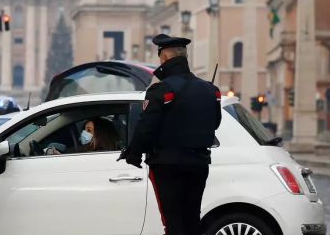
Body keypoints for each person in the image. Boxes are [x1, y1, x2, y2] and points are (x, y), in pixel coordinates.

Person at [119, 34, 222, 235]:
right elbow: (215, 123)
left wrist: (134, 154)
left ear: (164, 58)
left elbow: (146, 126)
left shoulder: (161, 90)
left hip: (167, 166)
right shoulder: (210, 90)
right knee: (192, 219)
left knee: (173, 222)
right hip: (199, 164)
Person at [46, 118, 118, 155]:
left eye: (89, 130)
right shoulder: (86, 149)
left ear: (100, 135)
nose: (84, 133)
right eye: (84, 129)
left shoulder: (99, 154)